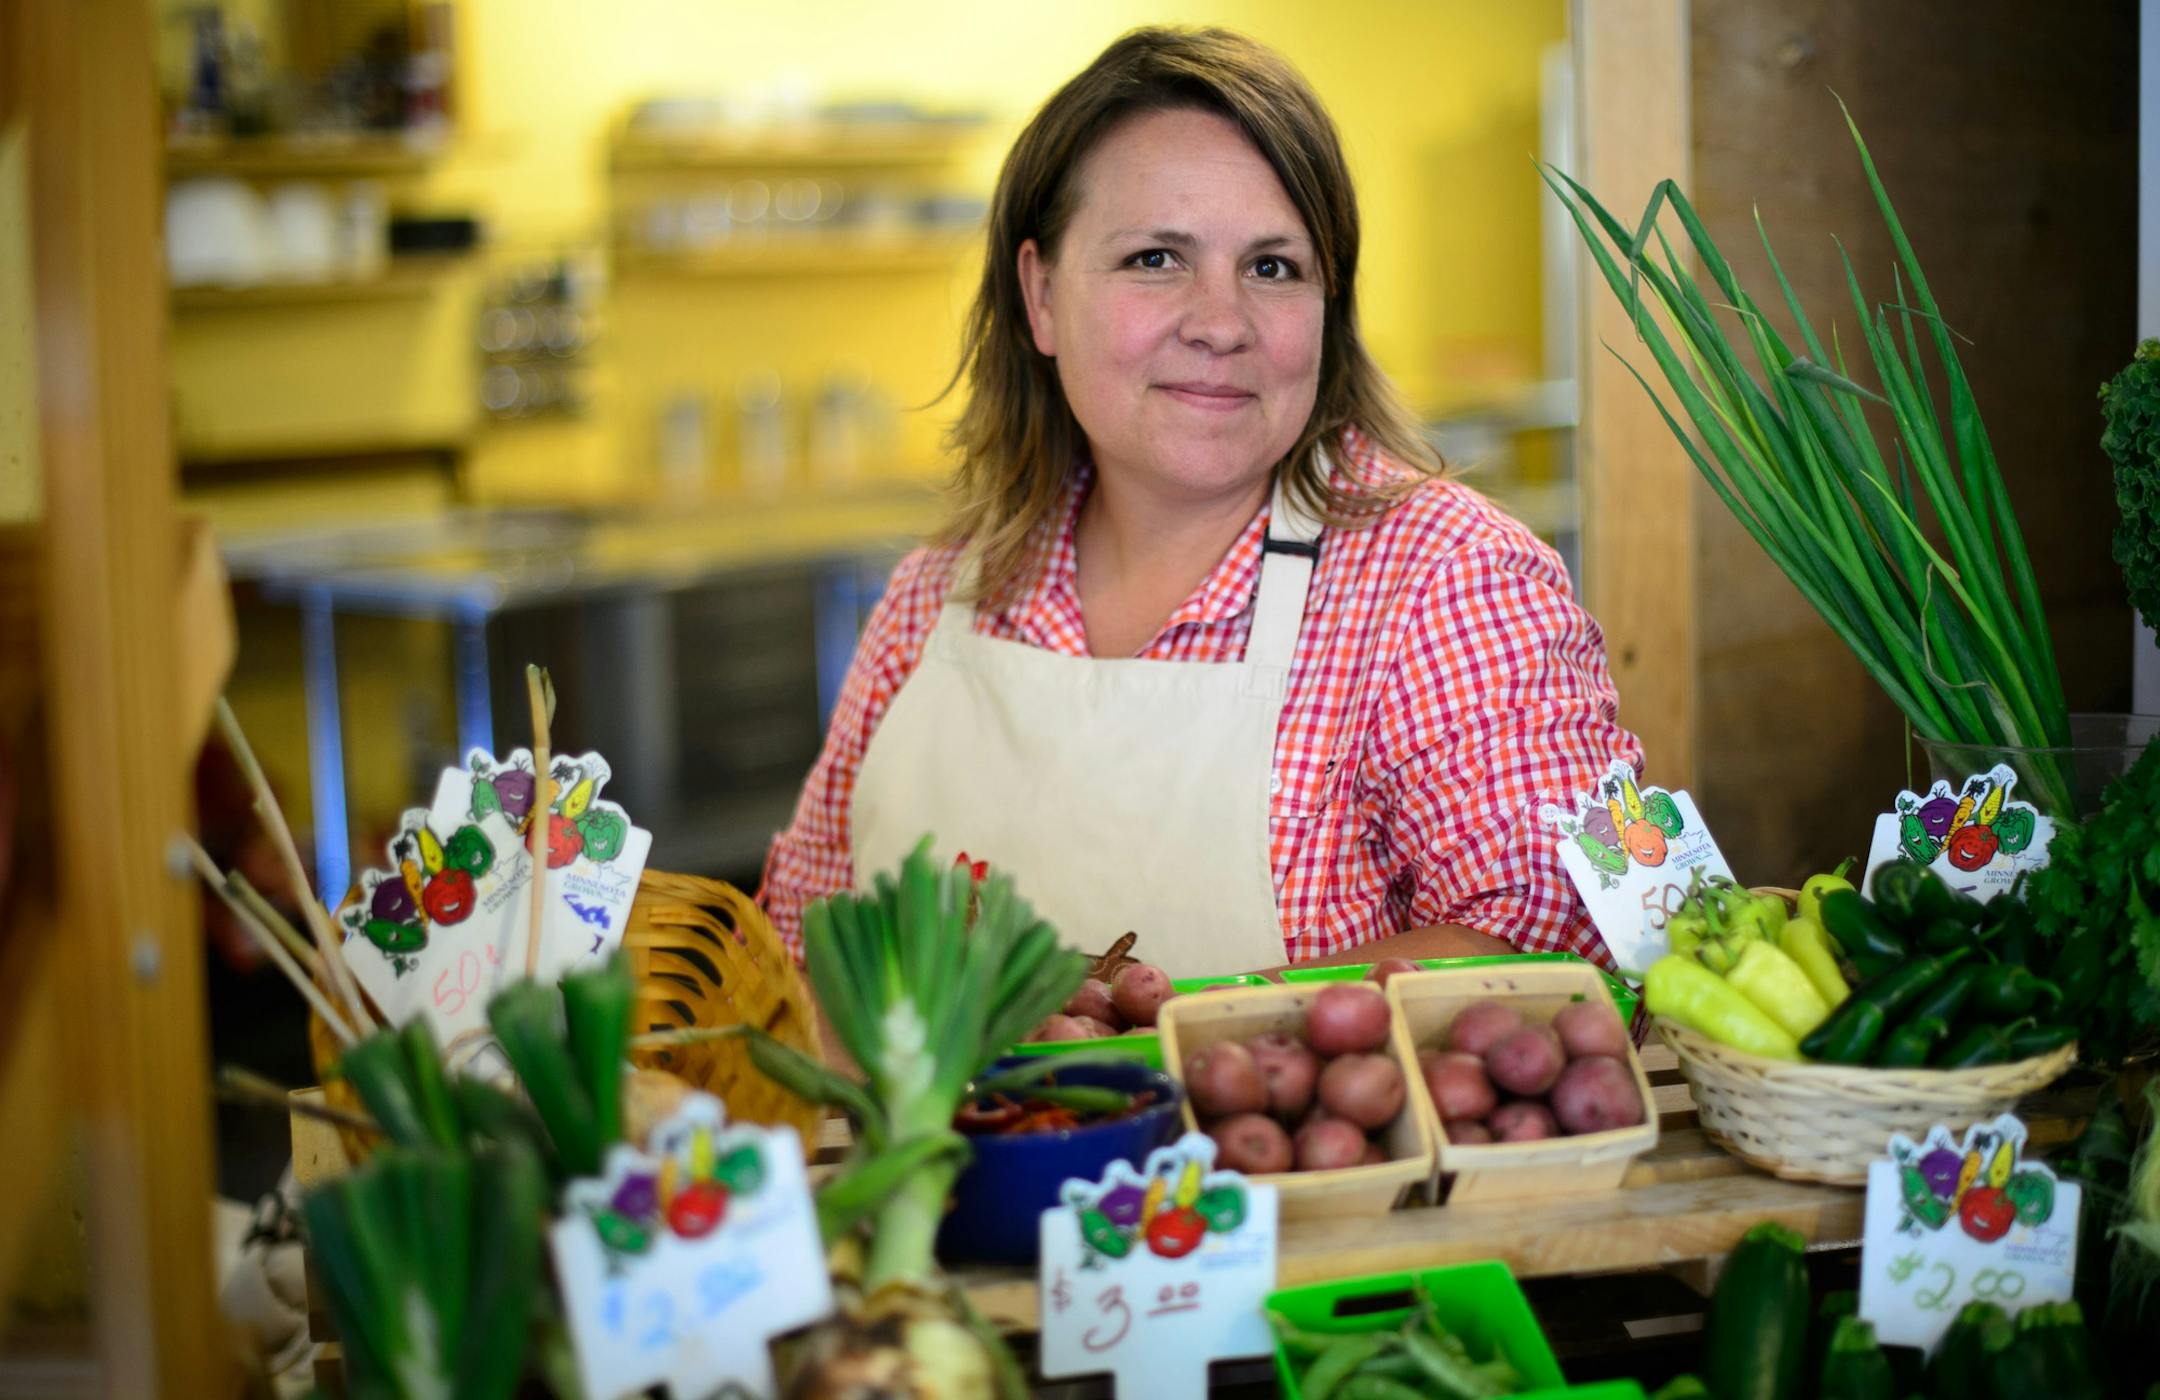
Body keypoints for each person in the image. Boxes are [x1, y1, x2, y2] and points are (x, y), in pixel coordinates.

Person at [761, 26, 1641, 978]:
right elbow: (792, 952)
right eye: (1154, 259)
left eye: (1273, 267)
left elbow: (1581, 945)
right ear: (1042, 295)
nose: (1221, 324)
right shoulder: (934, 601)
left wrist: (1152, 1042)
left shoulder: (1450, 581)